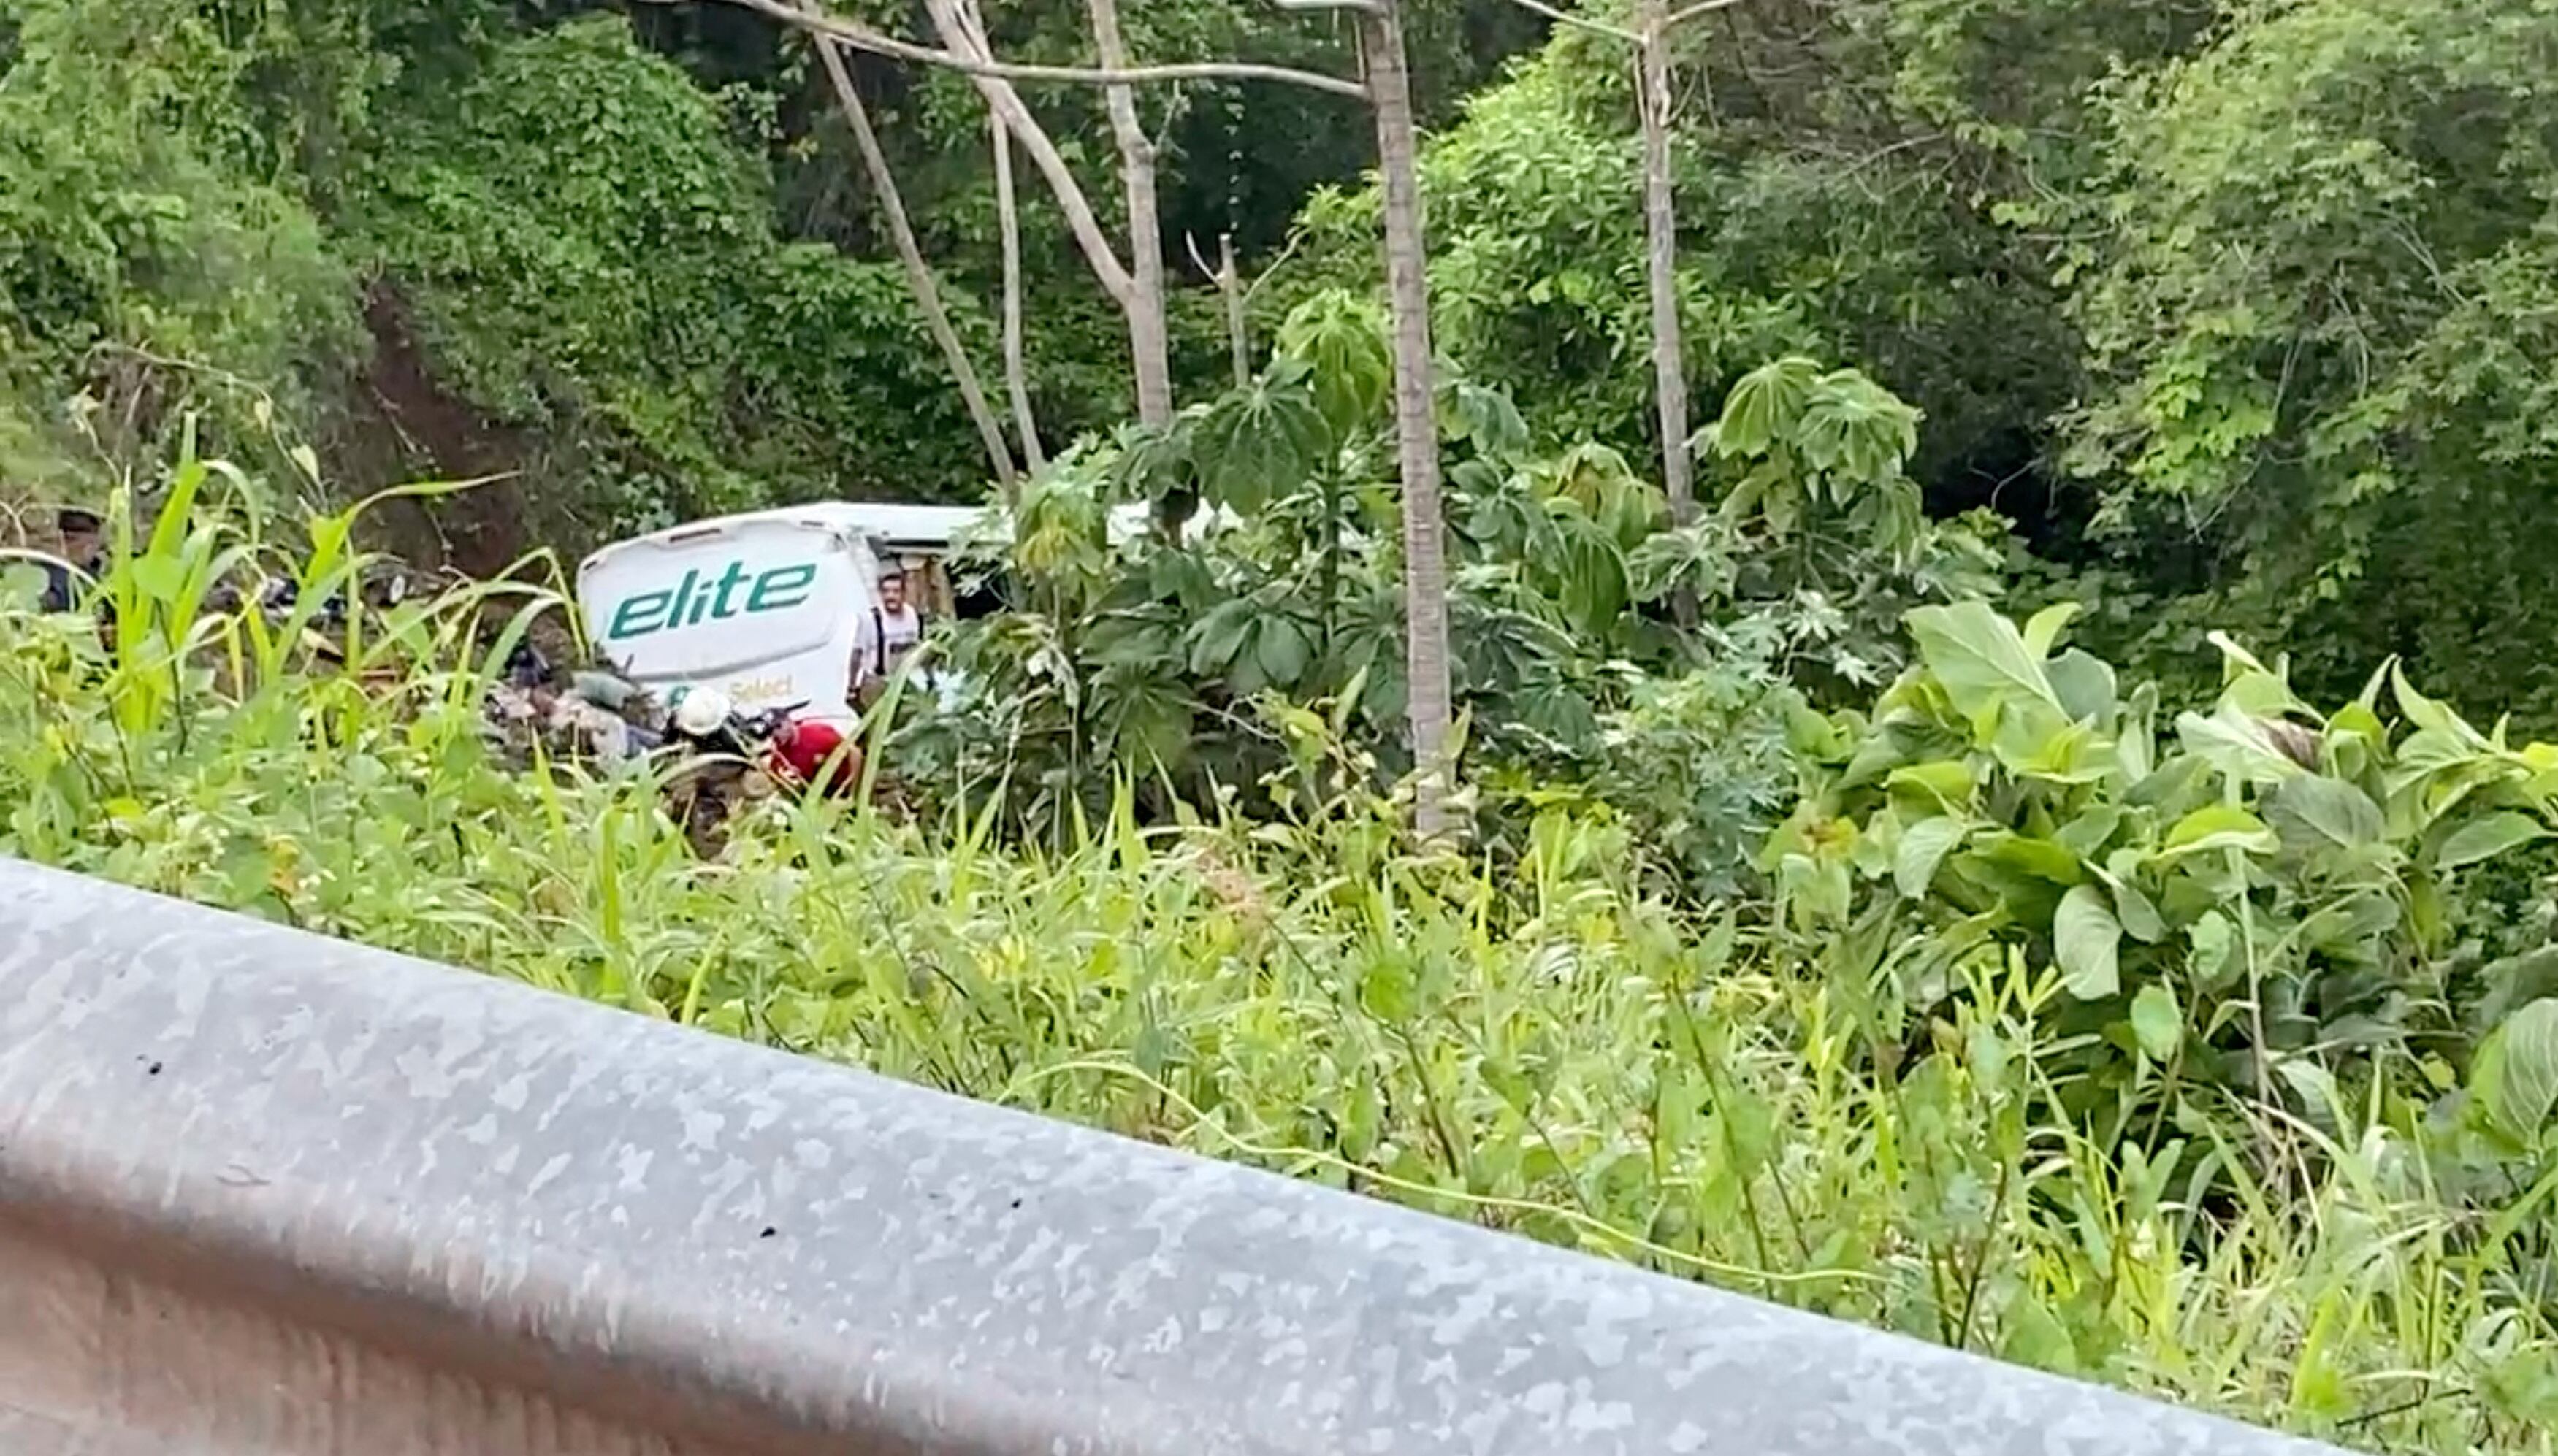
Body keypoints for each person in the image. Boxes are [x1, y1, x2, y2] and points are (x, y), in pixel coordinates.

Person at [854, 567, 924, 702]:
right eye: (886, 591)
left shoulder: (912, 615)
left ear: (904, 593)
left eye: (896, 591)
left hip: (905, 682)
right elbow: (857, 652)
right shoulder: (870, 619)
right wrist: (852, 686)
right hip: (877, 682)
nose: (890, 596)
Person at [38, 507, 102, 614]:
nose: (90, 549)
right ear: (62, 539)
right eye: (73, 540)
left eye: (93, 544)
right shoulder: (46, 578)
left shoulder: (93, 574)